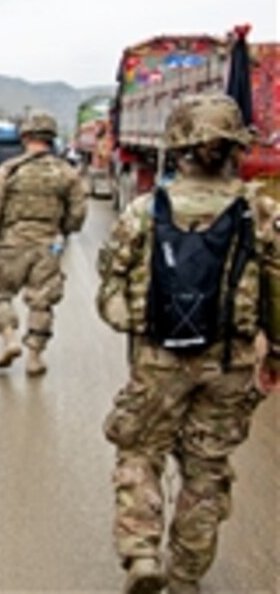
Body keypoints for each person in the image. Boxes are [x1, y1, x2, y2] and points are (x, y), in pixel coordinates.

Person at [96, 93, 280, 594]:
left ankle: (140, 553)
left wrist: (140, 322)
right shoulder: (260, 211)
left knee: (139, 451)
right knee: (207, 471)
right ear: (234, 149)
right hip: (230, 362)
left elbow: (109, 295)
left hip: (160, 360)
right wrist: (275, 351)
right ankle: (185, 577)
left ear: (177, 148)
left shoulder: (143, 211)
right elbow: (277, 287)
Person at [0, 112, 86, 376]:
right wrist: (63, 230)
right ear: (51, 138)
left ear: (25, 137)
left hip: (12, 242)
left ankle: (9, 338)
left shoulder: (10, 169)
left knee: (0, 293)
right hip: (48, 245)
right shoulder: (66, 172)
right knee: (42, 301)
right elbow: (78, 213)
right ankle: (35, 358)